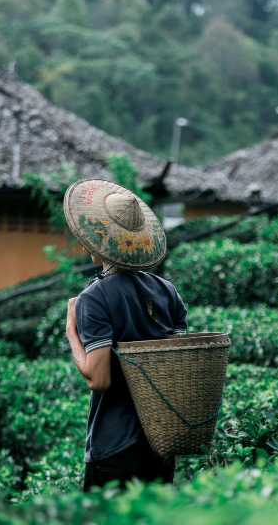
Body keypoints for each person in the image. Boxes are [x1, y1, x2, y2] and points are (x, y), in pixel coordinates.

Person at [63, 178, 188, 490]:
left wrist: (71, 334)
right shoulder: (166, 290)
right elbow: (176, 366)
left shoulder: (95, 297)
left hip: (115, 445)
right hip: (161, 443)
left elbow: (99, 379)